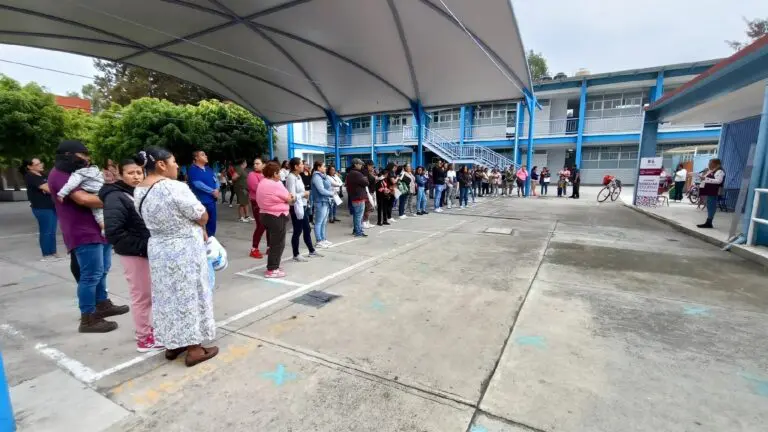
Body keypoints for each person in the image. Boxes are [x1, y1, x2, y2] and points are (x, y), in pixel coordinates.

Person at [47, 140, 129, 333]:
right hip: (82, 231)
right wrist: (114, 200)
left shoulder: (76, 173)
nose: (86, 159)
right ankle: (88, 318)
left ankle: (102, 304)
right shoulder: (59, 175)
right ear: (68, 155)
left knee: (102, 269)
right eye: (82, 155)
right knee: (90, 274)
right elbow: (83, 199)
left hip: (99, 227)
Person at [101, 158, 162, 352]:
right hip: (134, 253)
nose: (136, 176)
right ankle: (144, 338)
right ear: (120, 174)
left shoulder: (137, 193)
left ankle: (149, 329)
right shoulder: (115, 197)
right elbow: (113, 231)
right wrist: (142, 247)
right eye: (130, 173)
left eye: (138, 172)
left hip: (146, 251)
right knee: (141, 296)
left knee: (149, 295)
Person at [256, 161, 296, 278]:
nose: (280, 175)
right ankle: (272, 268)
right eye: (278, 172)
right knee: (278, 243)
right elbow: (289, 199)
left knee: (274, 242)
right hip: (276, 216)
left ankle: (274, 265)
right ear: (274, 174)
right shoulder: (275, 184)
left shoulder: (263, 182)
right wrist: (291, 198)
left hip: (265, 215)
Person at [22, 158, 61, 261]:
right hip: (41, 207)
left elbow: (52, 187)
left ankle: (53, 252)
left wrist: (49, 189)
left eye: (41, 163)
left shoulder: (43, 175)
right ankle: (46, 254)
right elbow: (49, 189)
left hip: (51, 205)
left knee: (52, 230)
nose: (41, 165)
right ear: (30, 166)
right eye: (38, 164)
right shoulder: (30, 176)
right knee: (46, 230)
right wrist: (48, 189)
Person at [56, 158, 105, 235]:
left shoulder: (78, 174)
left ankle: (104, 229)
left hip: (94, 193)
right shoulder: (95, 169)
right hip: (103, 190)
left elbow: (70, 185)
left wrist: (61, 194)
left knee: (98, 213)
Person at [286, 158, 322, 262]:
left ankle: (311, 251)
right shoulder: (291, 178)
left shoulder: (298, 176)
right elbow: (291, 197)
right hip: (296, 208)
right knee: (297, 231)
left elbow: (301, 191)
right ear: (296, 166)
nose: (304, 166)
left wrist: (305, 197)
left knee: (307, 229)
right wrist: (304, 194)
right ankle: (296, 254)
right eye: (301, 164)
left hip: (302, 206)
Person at [187, 150, 220, 236]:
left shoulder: (209, 169)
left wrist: (217, 189)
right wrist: (212, 191)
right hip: (200, 201)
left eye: (205, 154)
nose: (206, 156)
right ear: (196, 158)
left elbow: (215, 179)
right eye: (202, 155)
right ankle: (201, 242)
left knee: (212, 221)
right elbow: (197, 184)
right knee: (199, 223)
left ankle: (211, 240)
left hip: (211, 200)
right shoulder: (193, 170)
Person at [311, 160, 335, 248]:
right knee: (319, 222)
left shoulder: (323, 176)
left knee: (324, 222)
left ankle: (323, 239)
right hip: (320, 202)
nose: (325, 168)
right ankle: (319, 240)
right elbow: (321, 190)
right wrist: (331, 193)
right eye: (323, 166)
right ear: (318, 167)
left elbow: (328, 186)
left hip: (325, 201)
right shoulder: (316, 177)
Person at [247, 157, 267, 259]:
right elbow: (257, 187)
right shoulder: (252, 175)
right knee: (260, 225)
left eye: (258, 163)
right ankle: (254, 248)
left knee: (268, 225)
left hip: (266, 202)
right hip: (257, 203)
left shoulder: (266, 175)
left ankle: (269, 247)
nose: (255, 165)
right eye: (254, 163)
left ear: (263, 165)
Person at [697, 158, 726, 229]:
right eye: (709, 163)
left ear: (716, 164)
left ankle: (709, 222)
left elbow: (718, 181)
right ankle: (708, 221)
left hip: (714, 191)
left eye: (710, 163)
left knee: (711, 206)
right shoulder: (711, 171)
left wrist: (706, 179)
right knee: (709, 205)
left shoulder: (720, 171)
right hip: (709, 191)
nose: (709, 165)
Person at [345, 158, 369, 237]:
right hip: (359, 197)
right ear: (355, 164)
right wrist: (365, 178)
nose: (361, 165)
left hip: (354, 196)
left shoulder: (350, 173)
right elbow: (366, 183)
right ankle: (358, 232)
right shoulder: (357, 174)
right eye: (360, 164)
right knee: (359, 216)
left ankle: (356, 230)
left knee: (356, 215)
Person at [363, 160, 377, 228]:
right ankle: (364, 222)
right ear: (368, 165)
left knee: (369, 208)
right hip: (367, 192)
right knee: (367, 208)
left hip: (371, 191)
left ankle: (367, 221)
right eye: (372, 166)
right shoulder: (365, 172)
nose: (372, 167)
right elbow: (366, 182)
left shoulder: (369, 172)